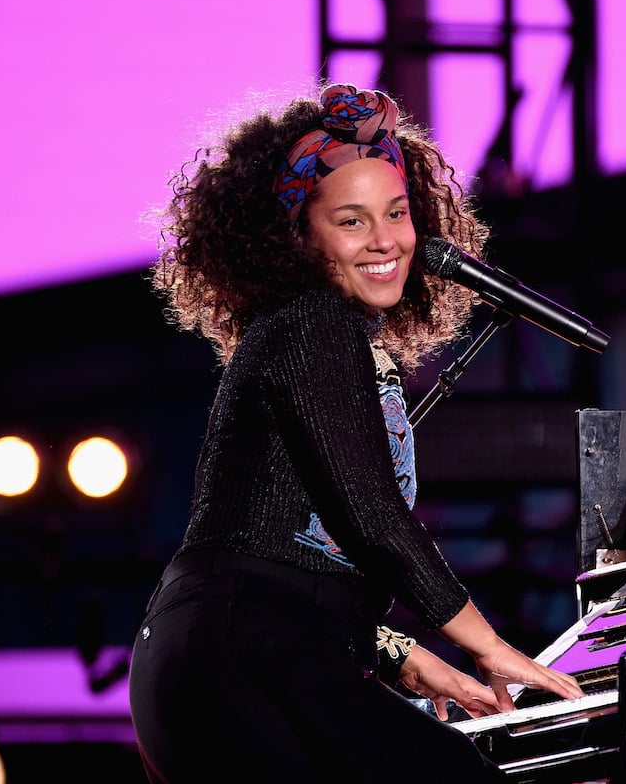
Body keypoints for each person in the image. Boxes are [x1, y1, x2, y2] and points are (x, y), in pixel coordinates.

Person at [127, 81, 585, 783]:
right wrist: (490, 646)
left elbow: (289, 540)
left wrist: (402, 652)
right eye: (351, 220)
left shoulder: (316, 335)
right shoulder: (311, 325)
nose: (386, 241)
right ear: (299, 239)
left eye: (397, 213)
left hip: (228, 645)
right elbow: (369, 516)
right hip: (240, 648)